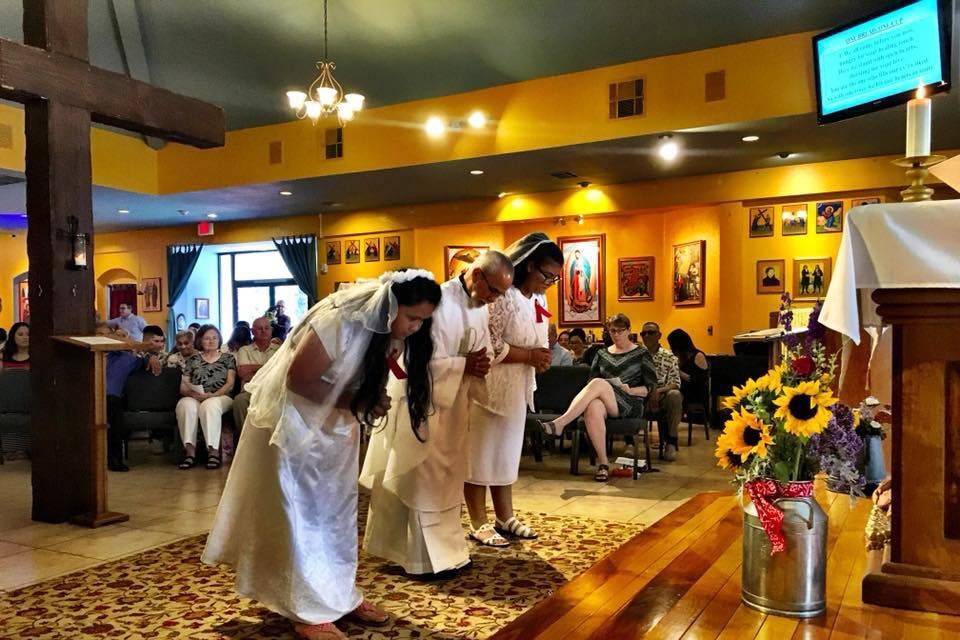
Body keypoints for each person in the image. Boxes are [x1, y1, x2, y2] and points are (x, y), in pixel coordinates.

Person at [203, 270, 441, 640]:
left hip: (335, 429)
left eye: (422, 320)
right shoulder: (339, 321)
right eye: (412, 317)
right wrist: (359, 401)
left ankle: (340, 595)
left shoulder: (387, 332)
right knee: (303, 517)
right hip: (296, 428)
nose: (415, 327)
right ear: (392, 304)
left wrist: (366, 401)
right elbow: (298, 380)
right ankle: (308, 609)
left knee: (338, 514)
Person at [362, 252, 512, 576]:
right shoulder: (436, 301)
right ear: (477, 275)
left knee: (447, 480)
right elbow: (415, 359)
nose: (494, 299)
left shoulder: (480, 308)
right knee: (421, 480)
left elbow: (481, 350)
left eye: (500, 294)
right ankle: (418, 559)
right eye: (494, 291)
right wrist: (463, 364)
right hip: (424, 403)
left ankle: (450, 553)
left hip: (456, 404)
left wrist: (482, 363)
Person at [465, 232, 560, 546]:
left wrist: (540, 357)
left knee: (505, 453)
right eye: (546, 274)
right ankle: (478, 521)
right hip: (490, 384)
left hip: (518, 386)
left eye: (555, 278)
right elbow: (489, 342)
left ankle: (505, 516)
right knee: (481, 453)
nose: (550, 282)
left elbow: (538, 337)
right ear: (529, 265)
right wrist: (529, 355)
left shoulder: (539, 299)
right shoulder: (503, 296)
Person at [539, 313, 657, 482]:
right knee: (593, 404)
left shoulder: (641, 353)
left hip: (631, 402)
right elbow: (590, 385)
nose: (616, 334)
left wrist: (630, 390)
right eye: (612, 331)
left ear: (629, 330)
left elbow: (650, 387)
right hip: (606, 399)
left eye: (620, 331)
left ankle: (560, 423)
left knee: (599, 383)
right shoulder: (602, 354)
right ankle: (603, 464)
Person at [103, 324, 165, 471]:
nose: (122, 340)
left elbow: (145, 361)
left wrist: (150, 356)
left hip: (113, 397)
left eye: (124, 336)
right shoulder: (111, 353)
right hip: (94, 392)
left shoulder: (133, 359)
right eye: (119, 336)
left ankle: (114, 460)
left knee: (116, 421)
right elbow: (109, 341)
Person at [176, 325, 236, 470]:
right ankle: (190, 453)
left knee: (210, 405)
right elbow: (183, 387)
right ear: (200, 340)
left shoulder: (228, 358)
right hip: (197, 395)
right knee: (185, 405)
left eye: (215, 338)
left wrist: (213, 395)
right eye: (207, 338)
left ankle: (213, 453)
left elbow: (230, 383)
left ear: (220, 339)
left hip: (221, 397)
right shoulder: (193, 360)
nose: (211, 341)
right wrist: (193, 394)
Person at [639, 322, 682, 461]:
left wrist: (657, 391)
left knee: (675, 396)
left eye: (650, 332)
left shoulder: (669, 356)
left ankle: (671, 442)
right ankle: (629, 442)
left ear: (659, 335)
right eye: (643, 333)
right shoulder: (636, 355)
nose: (646, 336)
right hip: (640, 395)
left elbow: (675, 383)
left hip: (662, 395)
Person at [232, 316, 281, 435]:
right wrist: (269, 367)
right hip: (250, 391)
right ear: (252, 331)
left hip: (273, 389)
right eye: (259, 328)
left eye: (266, 328)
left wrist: (254, 368)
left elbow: (280, 373)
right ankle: (245, 441)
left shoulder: (279, 349)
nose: (263, 331)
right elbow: (244, 374)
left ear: (271, 330)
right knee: (239, 401)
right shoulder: (244, 350)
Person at [667, 328, 709, 412]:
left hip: (695, 393)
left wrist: (678, 372)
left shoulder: (698, 355)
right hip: (682, 389)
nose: (671, 348)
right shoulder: (680, 356)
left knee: (672, 395)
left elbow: (699, 381)